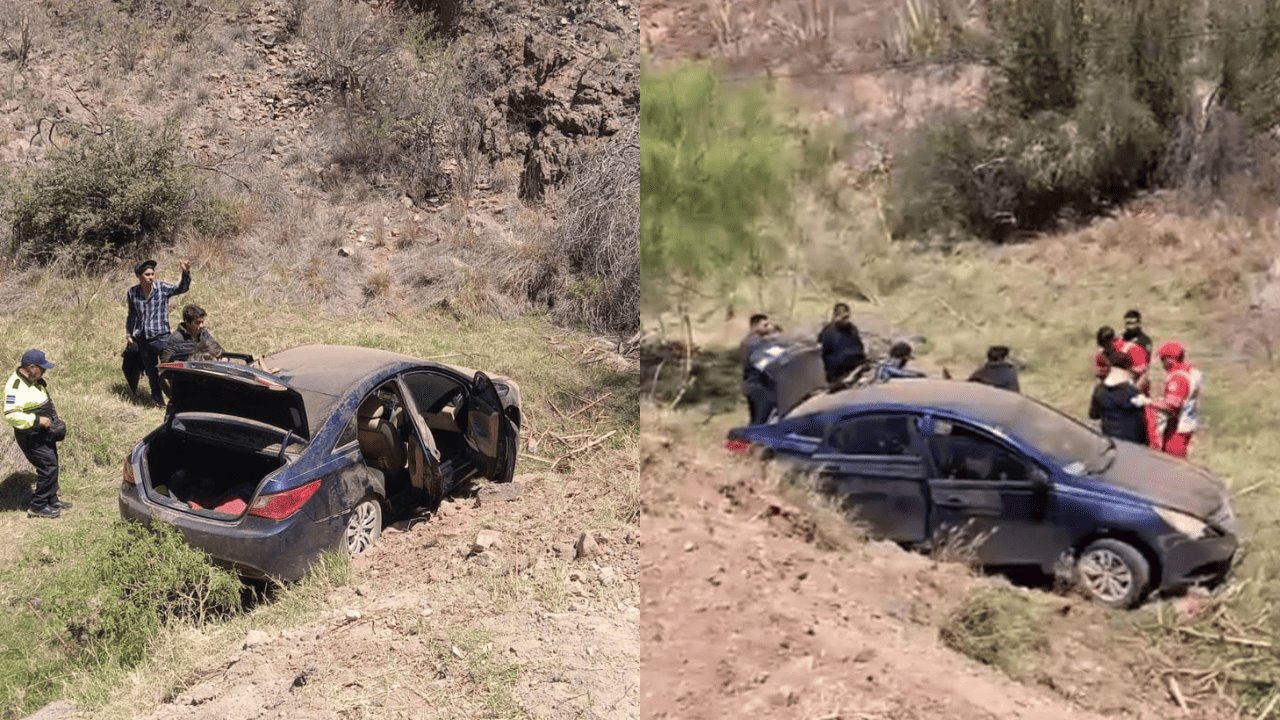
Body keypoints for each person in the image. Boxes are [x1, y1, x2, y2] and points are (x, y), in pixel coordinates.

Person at [3, 350, 71, 519]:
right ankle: (38, 506)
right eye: (42, 368)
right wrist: (37, 420)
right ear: (31, 367)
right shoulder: (15, 387)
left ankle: (52, 499)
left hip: (44, 433)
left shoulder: (34, 379)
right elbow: (11, 415)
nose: (45, 371)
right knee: (48, 467)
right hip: (31, 435)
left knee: (53, 463)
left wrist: (53, 421)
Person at [126, 258, 191, 405]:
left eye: (152, 274)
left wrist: (185, 272)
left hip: (162, 338)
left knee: (169, 370)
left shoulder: (161, 288)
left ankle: (177, 400)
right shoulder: (133, 293)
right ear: (139, 276)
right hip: (144, 339)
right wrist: (129, 334)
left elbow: (181, 288)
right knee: (151, 373)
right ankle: (157, 401)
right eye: (147, 274)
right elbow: (132, 315)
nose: (151, 277)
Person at [1148, 340, 1203, 459]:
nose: (1162, 364)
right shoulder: (1190, 372)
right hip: (1188, 422)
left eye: (1163, 359)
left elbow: (1172, 405)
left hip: (1178, 426)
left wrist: (1149, 402)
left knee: (1173, 461)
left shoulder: (1178, 378)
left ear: (1170, 360)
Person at [1088, 350, 1150, 445]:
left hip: (1111, 441)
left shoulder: (1099, 390)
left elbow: (1093, 415)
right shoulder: (1131, 392)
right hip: (1134, 444)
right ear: (1128, 367)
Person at [817, 302, 867, 388]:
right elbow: (823, 356)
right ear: (836, 316)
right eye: (844, 318)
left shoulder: (852, 329)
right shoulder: (828, 332)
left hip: (855, 370)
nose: (846, 321)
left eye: (848, 317)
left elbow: (859, 348)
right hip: (837, 375)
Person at [1093, 325, 1150, 394]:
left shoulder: (1131, 349)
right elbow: (1099, 376)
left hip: (1134, 392)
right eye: (1102, 346)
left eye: (1107, 345)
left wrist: (1132, 392)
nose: (1105, 349)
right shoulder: (1101, 354)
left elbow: (1144, 376)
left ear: (1113, 340)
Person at [160, 304, 225, 363]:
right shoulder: (175, 339)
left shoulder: (204, 334)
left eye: (202, 322)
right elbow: (165, 361)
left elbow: (219, 351)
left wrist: (223, 358)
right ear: (187, 322)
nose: (202, 325)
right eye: (197, 323)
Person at [740, 314, 775, 424]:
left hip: (750, 384)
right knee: (761, 420)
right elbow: (766, 362)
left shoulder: (746, 341)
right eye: (765, 325)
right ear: (755, 326)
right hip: (759, 385)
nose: (769, 327)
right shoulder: (757, 343)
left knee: (755, 418)